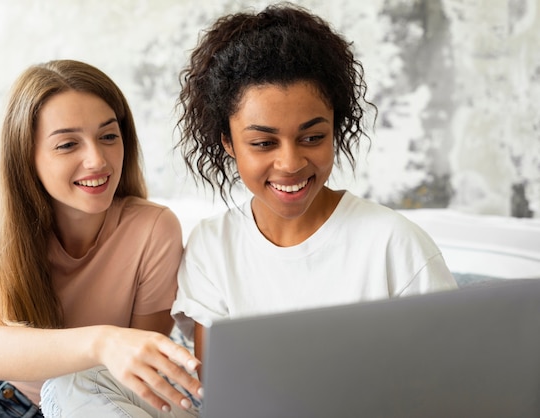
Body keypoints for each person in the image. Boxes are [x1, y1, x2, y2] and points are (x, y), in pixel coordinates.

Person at [170, 2, 458, 376]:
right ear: (228, 142)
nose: (290, 163)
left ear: (334, 130)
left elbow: (452, 375)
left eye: (312, 137)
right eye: (262, 143)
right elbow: (222, 393)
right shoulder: (213, 246)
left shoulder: (394, 243)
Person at [0, 59, 202, 417]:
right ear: (26, 155)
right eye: (67, 145)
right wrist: (103, 340)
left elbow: (134, 378)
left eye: (108, 136)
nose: (97, 159)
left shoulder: (154, 229)